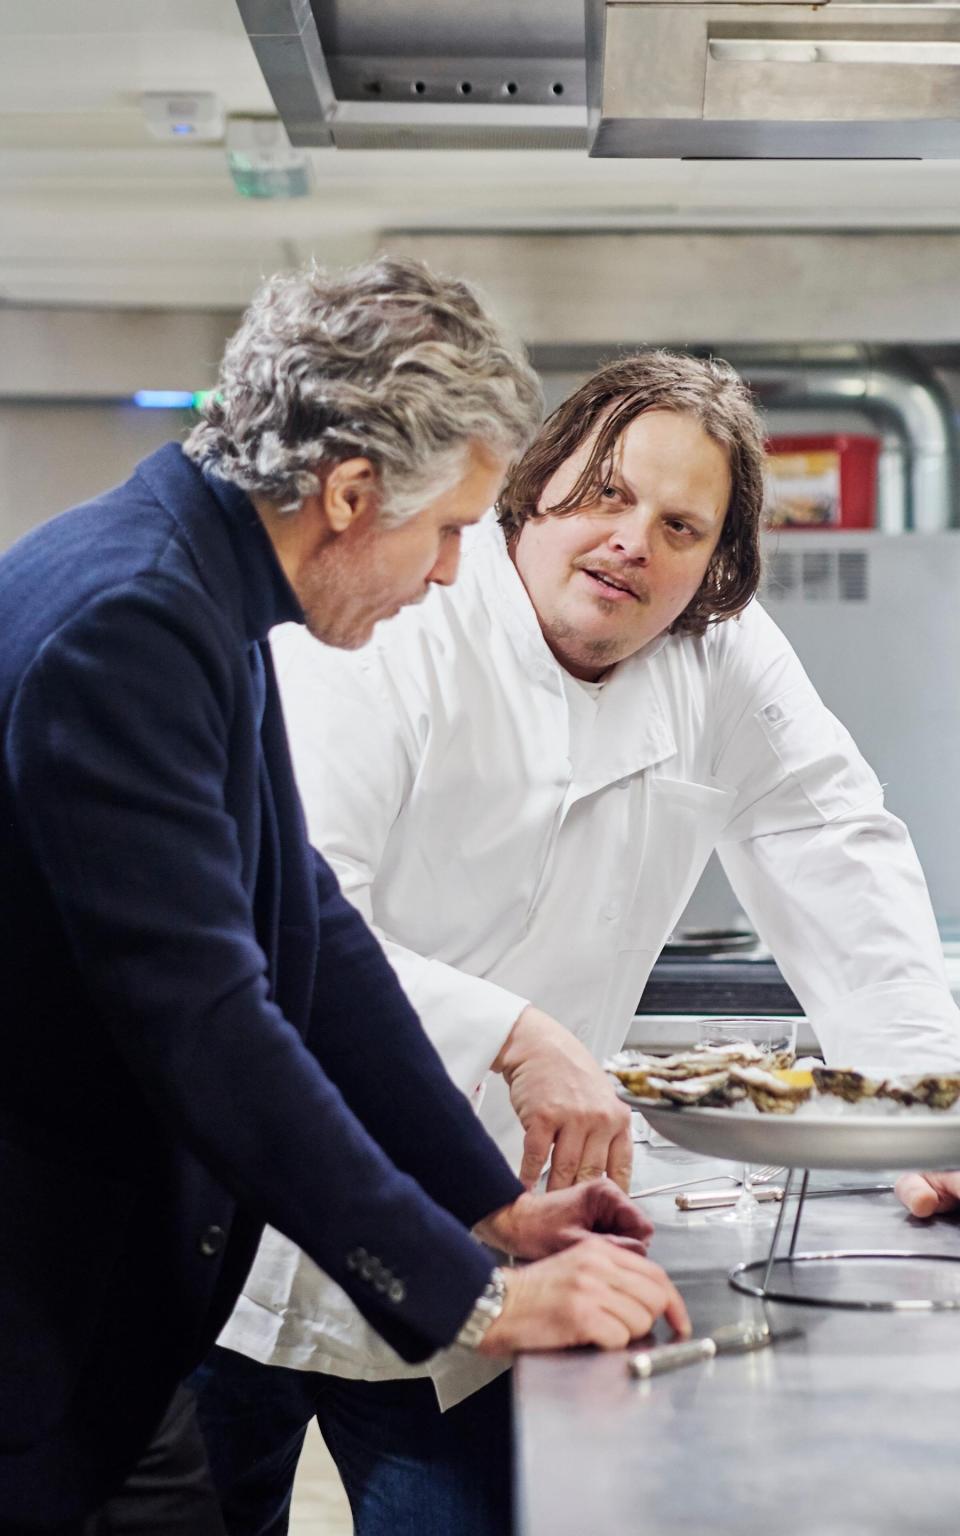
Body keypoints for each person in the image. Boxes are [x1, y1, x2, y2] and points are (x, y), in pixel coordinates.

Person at [196, 349, 960, 1535]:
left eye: (680, 524)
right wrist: (510, 1031)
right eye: (604, 494)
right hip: (242, 1231)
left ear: (719, 565)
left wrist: (925, 1104)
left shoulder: (724, 657)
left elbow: (836, 851)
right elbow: (292, 922)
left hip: (485, 1246)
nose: (630, 543)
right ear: (534, 489)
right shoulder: (407, 618)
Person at [0, 266, 691, 1536]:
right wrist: (475, 1302)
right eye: (445, 532)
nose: (445, 577)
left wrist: (483, 1207)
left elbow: (305, 928)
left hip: (97, 1311)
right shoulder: (130, 622)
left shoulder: (197, 591)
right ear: (352, 493)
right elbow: (214, 1027)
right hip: (41, 1309)